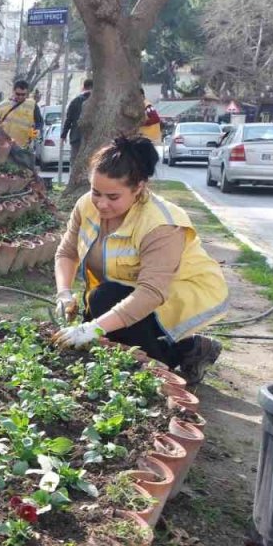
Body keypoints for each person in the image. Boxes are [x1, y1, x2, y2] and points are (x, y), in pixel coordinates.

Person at [52, 137, 229, 385]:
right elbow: (67, 252)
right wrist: (63, 293)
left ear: (139, 188)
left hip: (176, 291)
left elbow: (151, 292)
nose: (101, 204)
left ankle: (186, 351)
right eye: (96, 192)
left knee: (106, 307)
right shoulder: (86, 206)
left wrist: (92, 329)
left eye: (113, 197)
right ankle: (153, 346)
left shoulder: (160, 224)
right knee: (99, 308)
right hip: (122, 290)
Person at [0, 79, 43, 150]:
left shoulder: (32, 105)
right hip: (3, 146)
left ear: (27, 93)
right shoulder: (2, 105)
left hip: (22, 148)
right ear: (13, 91)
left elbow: (39, 122)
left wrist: (38, 130)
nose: (20, 97)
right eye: (18, 94)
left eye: (23, 94)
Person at [61, 78, 92, 165]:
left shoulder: (75, 101)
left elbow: (69, 119)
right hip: (91, 136)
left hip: (76, 136)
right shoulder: (99, 101)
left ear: (84, 87)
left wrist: (64, 135)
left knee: (75, 162)